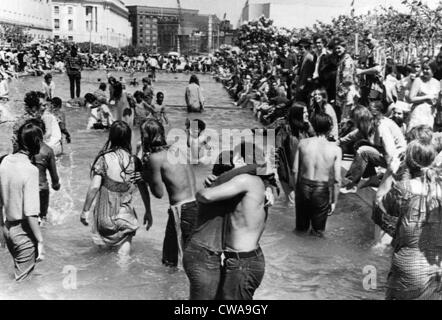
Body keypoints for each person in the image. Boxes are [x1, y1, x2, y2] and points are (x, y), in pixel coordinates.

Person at [196, 141, 269, 300]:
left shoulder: (244, 180)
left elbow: (205, 196)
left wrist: (203, 189)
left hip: (242, 263)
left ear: (241, 160)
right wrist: (214, 180)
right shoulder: (259, 183)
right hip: (246, 260)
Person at [377, 139, 442, 299]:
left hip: (408, 268)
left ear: (408, 162)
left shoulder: (404, 188)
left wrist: (389, 173)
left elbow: (379, 209)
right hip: (437, 268)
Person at [80, 121, 152, 256]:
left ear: (111, 136)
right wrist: (148, 212)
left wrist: (85, 211)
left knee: (102, 257)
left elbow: (94, 187)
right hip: (125, 215)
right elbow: (143, 189)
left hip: (104, 217)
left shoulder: (103, 159)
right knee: (123, 259)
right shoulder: (134, 161)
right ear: (128, 138)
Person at [140, 119, 198, 267]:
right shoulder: (177, 150)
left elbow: (158, 193)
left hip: (181, 210)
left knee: (171, 262)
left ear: (146, 137)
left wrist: (145, 175)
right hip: (196, 205)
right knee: (189, 258)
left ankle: (171, 290)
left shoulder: (155, 158)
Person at [0, 122, 45, 281]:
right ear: (37, 143)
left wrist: (2, 228)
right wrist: (40, 241)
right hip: (24, 232)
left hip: (8, 228)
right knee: (23, 285)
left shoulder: (5, 161)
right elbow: (31, 213)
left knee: (21, 278)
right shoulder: (31, 170)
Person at [341, 101, 407, 193]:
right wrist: (339, 141)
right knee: (359, 144)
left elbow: (390, 152)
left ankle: (351, 185)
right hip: (388, 155)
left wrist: (390, 177)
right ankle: (373, 179)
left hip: (398, 160)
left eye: (356, 123)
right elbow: (354, 135)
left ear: (361, 120)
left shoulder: (381, 126)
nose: (355, 126)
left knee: (363, 151)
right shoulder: (371, 123)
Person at [293, 113, 342, 236]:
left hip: (303, 186)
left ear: (313, 126)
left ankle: (296, 254)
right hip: (321, 189)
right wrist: (334, 201)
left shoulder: (302, 143)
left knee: (300, 229)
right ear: (330, 128)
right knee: (318, 232)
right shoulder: (336, 149)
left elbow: (295, 171)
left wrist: (296, 191)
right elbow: (337, 179)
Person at [27, 119, 60, 223]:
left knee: (28, 217)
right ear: (43, 132)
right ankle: (43, 237)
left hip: (27, 189)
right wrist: (56, 185)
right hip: (42, 189)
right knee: (42, 218)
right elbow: (54, 176)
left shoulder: (24, 150)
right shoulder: (48, 150)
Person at [408, 62, 440, 132]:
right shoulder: (418, 81)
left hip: (429, 114)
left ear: (433, 70)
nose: (425, 71)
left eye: (427, 69)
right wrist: (426, 97)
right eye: (423, 69)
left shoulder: (437, 83)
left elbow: (437, 100)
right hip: (418, 113)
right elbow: (411, 98)